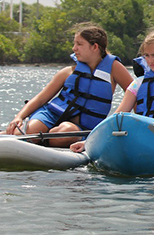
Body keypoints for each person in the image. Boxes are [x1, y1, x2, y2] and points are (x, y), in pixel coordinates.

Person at [5, 25, 133, 147]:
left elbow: (135, 93)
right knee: (31, 131)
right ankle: (24, 136)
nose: (74, 48)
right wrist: (19, 117)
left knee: (66, 133)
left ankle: (41, 140)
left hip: (80, 128)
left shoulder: (114, 68)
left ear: (95, 47)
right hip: (50, 115)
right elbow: (40, 99)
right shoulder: (69, 71)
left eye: (79, 44)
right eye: (74, 43)